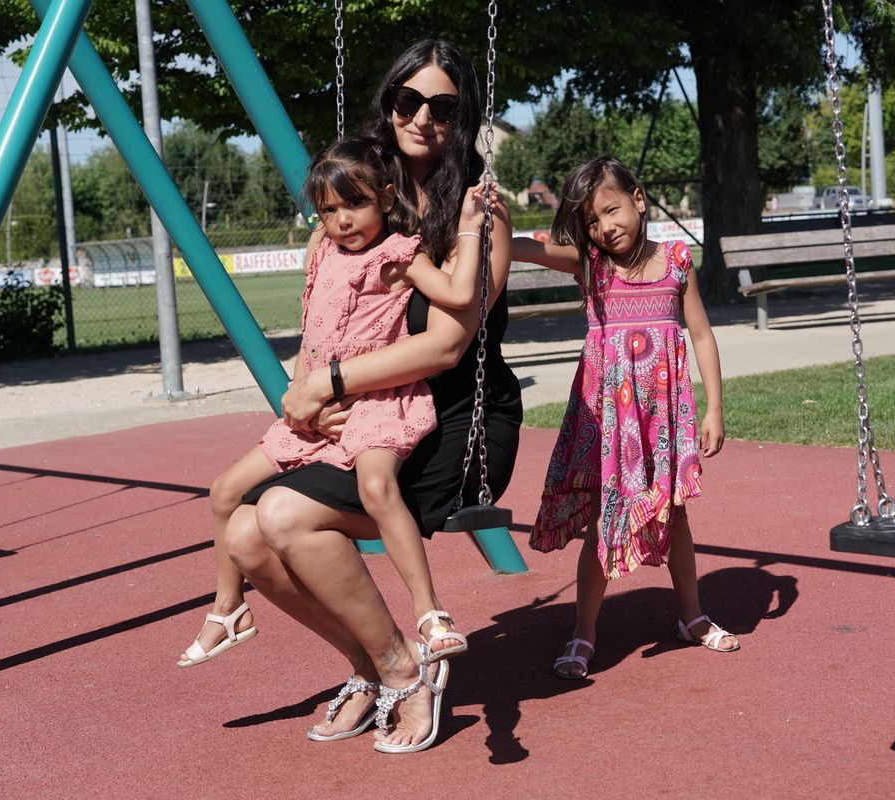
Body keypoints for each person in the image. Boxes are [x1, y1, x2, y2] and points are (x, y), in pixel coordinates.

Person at [219, 39, 521, 753]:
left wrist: (328, 384)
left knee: (286, 515)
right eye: (407, 100)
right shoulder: (357, 204)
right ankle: (368, 664)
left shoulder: (482, 216)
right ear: (388, 106)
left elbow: (448, 344)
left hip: (454, 420)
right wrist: (313, 385)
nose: (422, 117)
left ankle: (406, 666)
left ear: (463, 117)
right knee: (242, 534)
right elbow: (324, 316)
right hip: (369, 415)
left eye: (443, 106)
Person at [175, 135, 487, 670]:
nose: (343, 220)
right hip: (317, 410)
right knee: (225, 491)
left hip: (376, 404)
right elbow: (311, 335)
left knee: (375, 485)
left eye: (356, 205)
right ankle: (228, 608)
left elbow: (458, 297)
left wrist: (472, 227)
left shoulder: (397, 254)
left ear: (386, 200)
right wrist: (299, 398)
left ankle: (429, 613)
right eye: (329, 210)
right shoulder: (322, 251)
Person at [511, 154, 738, 681]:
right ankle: (584, 632)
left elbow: (701, 334)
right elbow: (527, 248)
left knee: (675, 513)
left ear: (638, 199)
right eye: (591, 220)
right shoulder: (591, 265)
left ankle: (692, 616)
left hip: (661, 416)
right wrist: (487, 224)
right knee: (601, 518)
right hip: (608, 417)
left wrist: (715, 407)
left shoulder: (678, 261)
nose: (604, 227)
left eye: (611, 210)